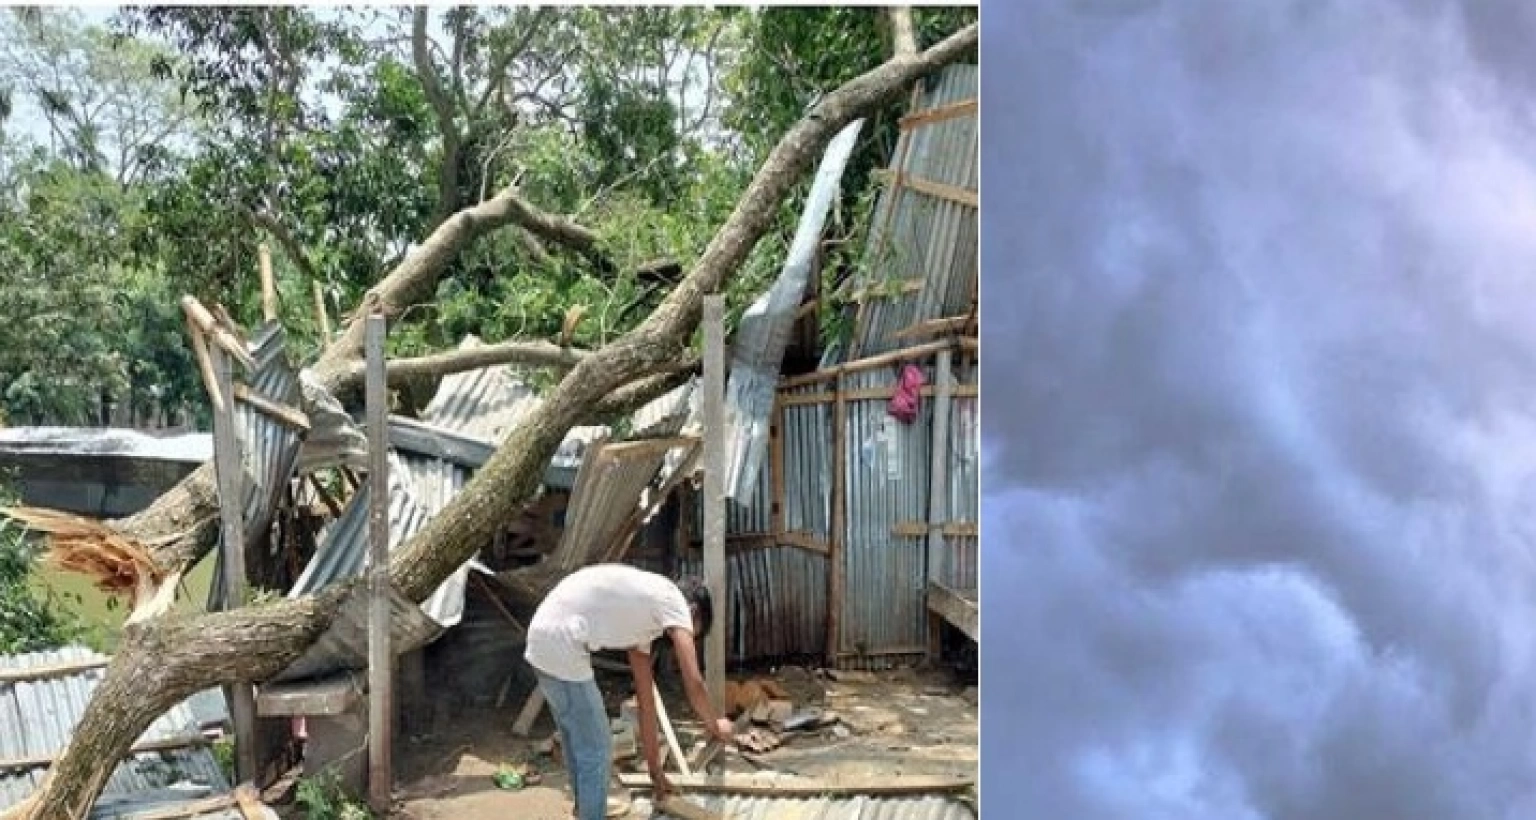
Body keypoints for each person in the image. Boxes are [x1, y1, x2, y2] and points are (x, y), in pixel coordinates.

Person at [525, 563, 734, 819]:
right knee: (597, 747)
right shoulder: (674, 601)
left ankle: (586, 810)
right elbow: (694, 682)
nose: (687, 637)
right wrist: (714, 725)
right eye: (693, 632)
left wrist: (656, 773)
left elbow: (647, 705)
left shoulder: (644, 620)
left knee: (576, 740)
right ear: (692, 612)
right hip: (561, 643)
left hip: (542, 640)